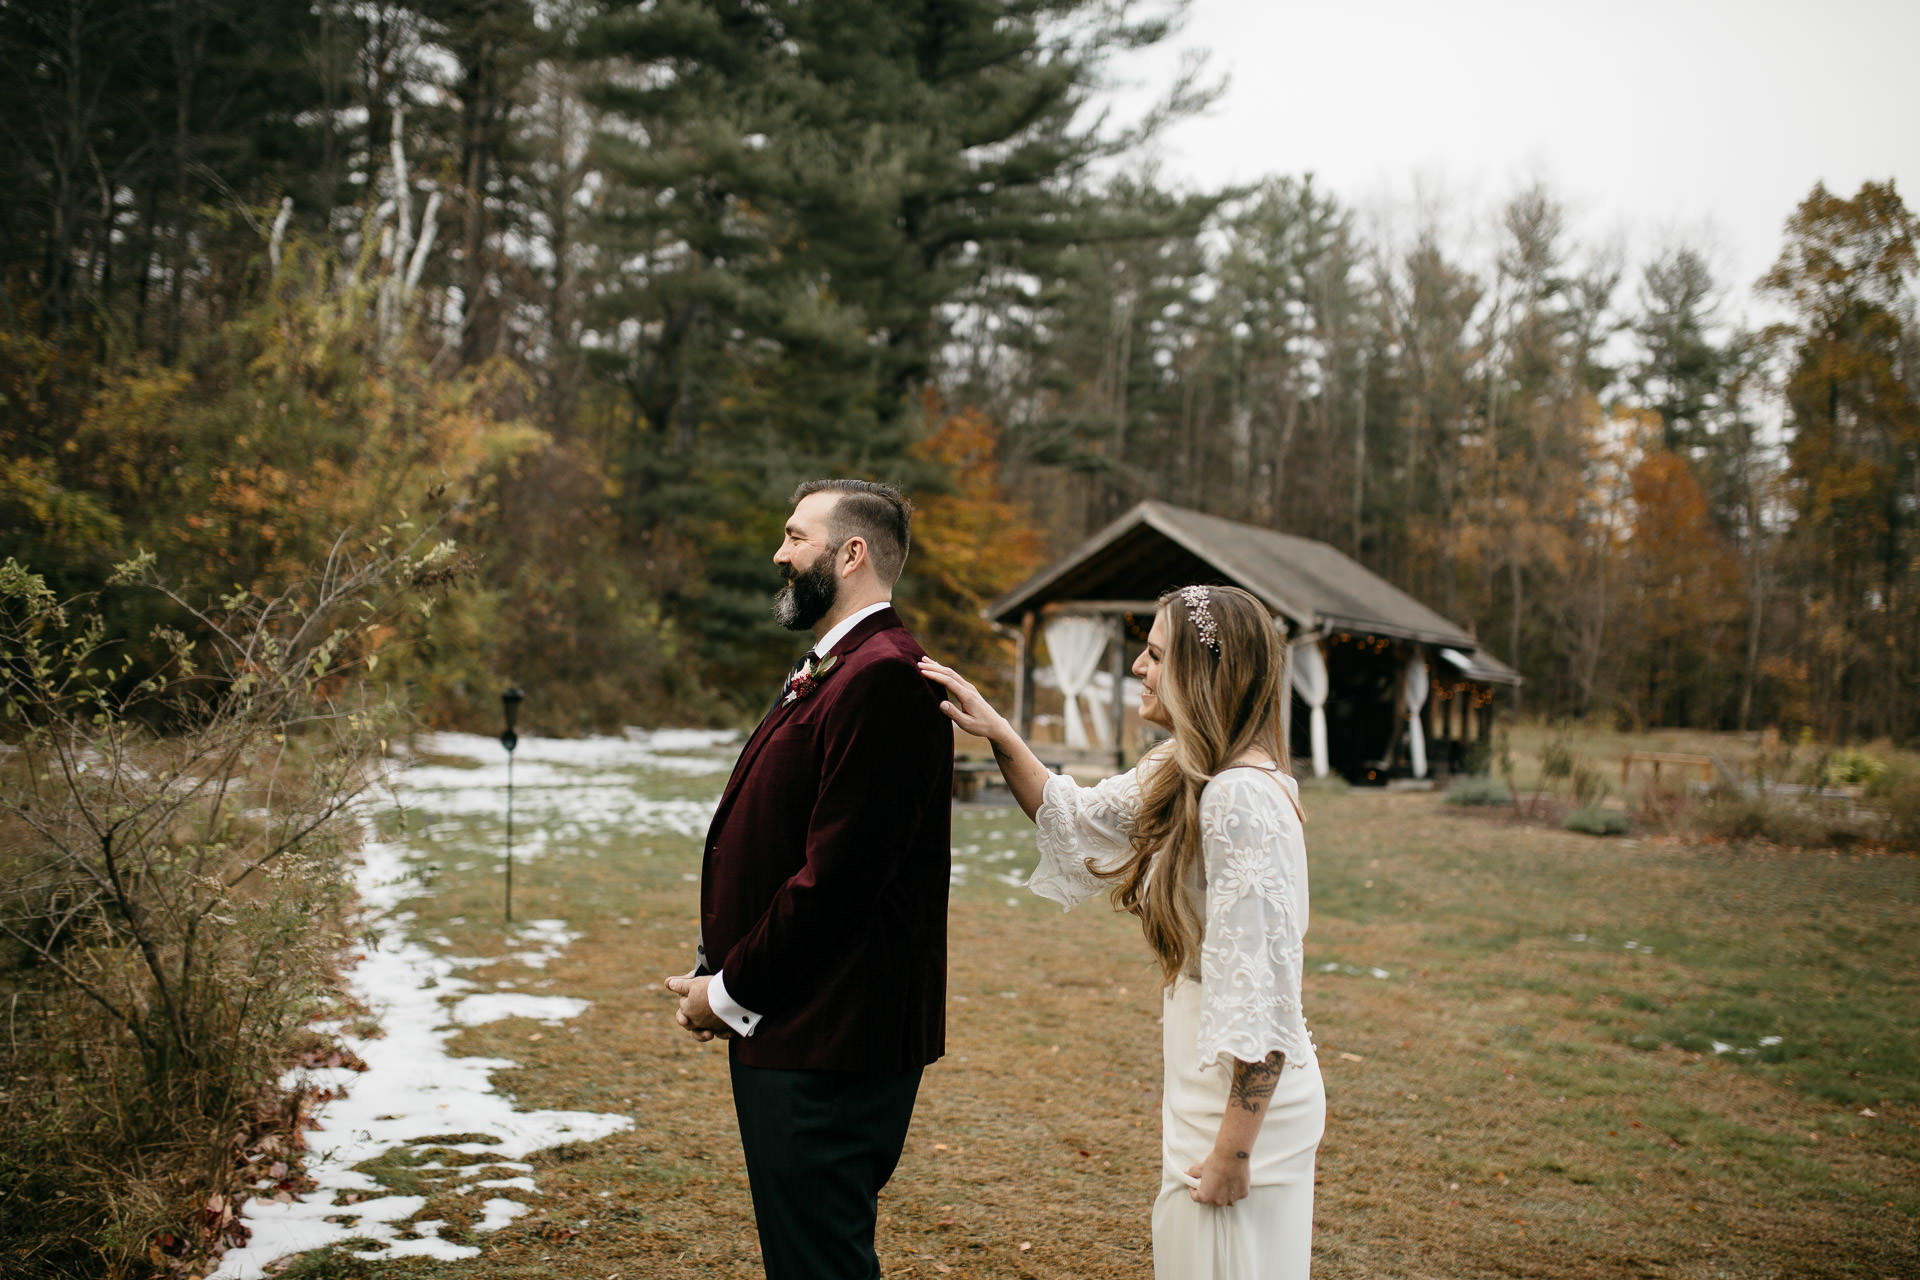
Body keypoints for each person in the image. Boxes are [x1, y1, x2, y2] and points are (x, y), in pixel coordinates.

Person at [919, 584, 1324, 1280]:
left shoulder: (1238, 798)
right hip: (1203, 1074)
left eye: (1156, 654)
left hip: (1240, 1105)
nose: (1138, 666)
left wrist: (1235, 1151)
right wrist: (997, 730)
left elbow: (1266, 995)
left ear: (1202, 674)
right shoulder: (1187, 770)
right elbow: (1074, 818)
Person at [665, 479, 953, 1280]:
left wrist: (728, 994)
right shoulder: (841, 666)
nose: (778, 553)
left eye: (796, 536)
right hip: (798, 1025)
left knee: (819, 1265)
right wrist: (716, 967)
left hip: (831, 1041)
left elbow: (840, 881)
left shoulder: (886, 677)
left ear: (851, 553)